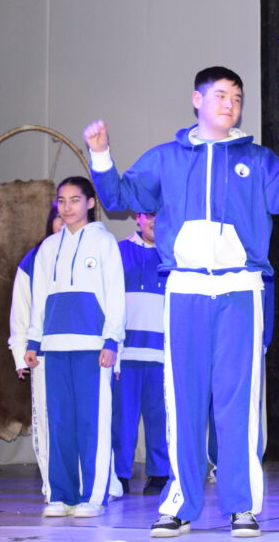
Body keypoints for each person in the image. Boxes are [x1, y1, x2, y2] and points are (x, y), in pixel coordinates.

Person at [84, 66, 279, 538]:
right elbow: (118, 196)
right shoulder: (166, 158)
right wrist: (101, 154)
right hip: (185, 291)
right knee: (184, 403)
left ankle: (242, 507)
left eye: (237, 97)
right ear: (197, 99)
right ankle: (180, 504)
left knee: (238, 404)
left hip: (241, 292)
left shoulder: (257, 160)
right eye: (220, 95)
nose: (230, 104)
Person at [24, 177, 125, 518]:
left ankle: (92, 497)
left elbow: (116, 296)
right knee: (59, 423)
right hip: (53, 347)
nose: (67, 207)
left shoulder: (104, 242)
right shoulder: (48, 247)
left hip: (93, 347)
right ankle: (61, 495)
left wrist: (112, 340)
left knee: (91, 423)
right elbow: (38, 298)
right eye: (62, 200)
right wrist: (33, 341)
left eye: (75, 200)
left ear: (90, 203)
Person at [8, 202, 63, 500]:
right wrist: (20, 353)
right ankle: (53, 484)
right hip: (43, 353)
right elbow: (21, 310)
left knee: (85, 419)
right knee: (47, 418)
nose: (64, 221)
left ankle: (89, 484)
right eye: (58, 216)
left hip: (86, 352)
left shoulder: (96, 251)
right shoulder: (34, 258)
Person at [112, 211, 169, 496]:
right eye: (150, 215)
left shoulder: (176, 254)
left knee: (160, 417)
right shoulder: (118, 251)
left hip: (162, 353)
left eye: (161, 214)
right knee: (122, 419)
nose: (155, 221)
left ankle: (159, 473)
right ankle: (120, 474)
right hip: (126, 352)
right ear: (138, 217)